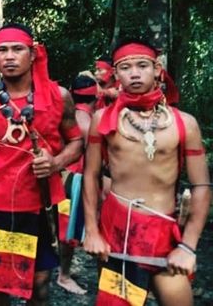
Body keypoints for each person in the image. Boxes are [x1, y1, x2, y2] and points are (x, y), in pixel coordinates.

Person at [83, 38, 211, 305]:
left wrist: (188, 246)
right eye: (126, 67)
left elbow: (201, 186)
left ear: (157, 69)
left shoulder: (184, 123)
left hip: (165, 233)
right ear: (116, 75)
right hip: (118, 230)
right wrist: (93, 232)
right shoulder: (102, 120)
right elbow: (91, 175)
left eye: (142, 65)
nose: (135, 73)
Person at [0, 22, 84, 305]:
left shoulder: (59, 97)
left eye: (17, 49)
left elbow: (77, 143)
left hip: (39, 205)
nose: (9, 56)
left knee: (40, 283)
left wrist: (55, 163)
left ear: (32, 54)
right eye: (2, 50)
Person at [55, 72, 98, 295]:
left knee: (64, 228)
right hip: (74, 179)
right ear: (95, 95)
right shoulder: (87, 123)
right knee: (67, 230)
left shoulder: (71, 116)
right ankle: (63, 275)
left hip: (63, 176)